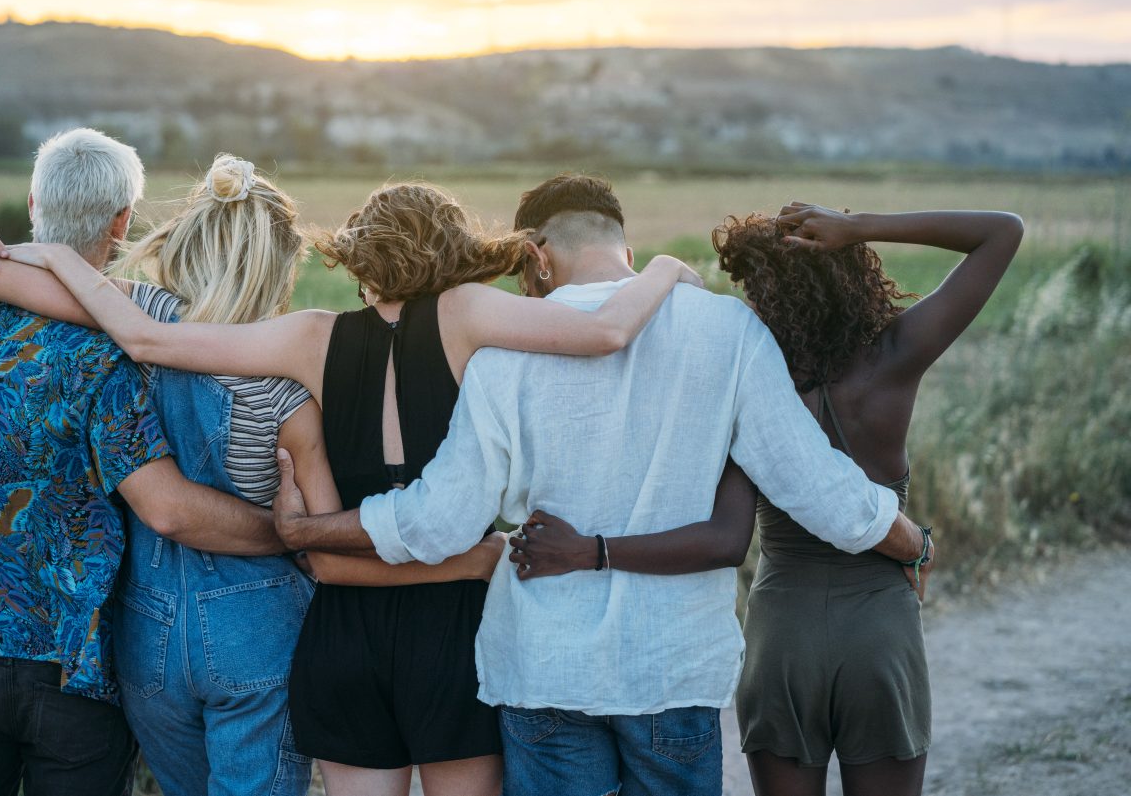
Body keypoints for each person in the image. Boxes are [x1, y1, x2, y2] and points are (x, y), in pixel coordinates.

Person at [0, 179, 704, 796]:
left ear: (363, 261)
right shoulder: (468, 313)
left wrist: (48, 254)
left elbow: (146, 339)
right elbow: (609, 330)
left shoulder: (312, 336)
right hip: (453, 637)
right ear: (451, 253)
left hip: (341, 643)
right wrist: (669, 267)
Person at [269, 174, 935, 796]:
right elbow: (815, 484)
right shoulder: (728, 330)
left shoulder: (504, 354)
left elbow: (442, 517)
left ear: (537, 256)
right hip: (670, 666)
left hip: (544, 668)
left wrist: (311, 530)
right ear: (625, 246)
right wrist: (910, 540)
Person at [0, 153, 320, 795]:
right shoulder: (287, 353)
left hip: (62, 634)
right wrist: (299, 535)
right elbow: (184, 510)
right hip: (176, 639)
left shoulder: (102, 317)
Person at [711, 203, 1021, 796]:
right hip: (879, 627)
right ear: (853, 274)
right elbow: (1002, 231)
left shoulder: (751, 381)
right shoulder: (895, 356)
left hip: (781, 634)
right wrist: (861, 226)